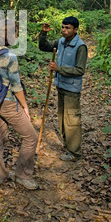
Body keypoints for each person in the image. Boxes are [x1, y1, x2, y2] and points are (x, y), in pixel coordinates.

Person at [0, 20, 39, 190]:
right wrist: (25, 106)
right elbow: (16, 86)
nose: (17, 36)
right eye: (15, 32)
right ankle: (22, 176)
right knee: (31, 137)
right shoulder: (10, 57)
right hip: (8, 102)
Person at [39, 16, 88, 161]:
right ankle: (68, 145)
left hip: (72, 89)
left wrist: (58, 68)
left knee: (72, 120)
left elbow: (80, 70)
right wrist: (43, 33)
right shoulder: (61, 41)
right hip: (61, 85)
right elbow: (44, 47)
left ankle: (75, 153)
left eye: (68, 28)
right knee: (62, 118)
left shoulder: (80, 46)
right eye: (63, 27)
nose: (64, 30)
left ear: (75, 30)